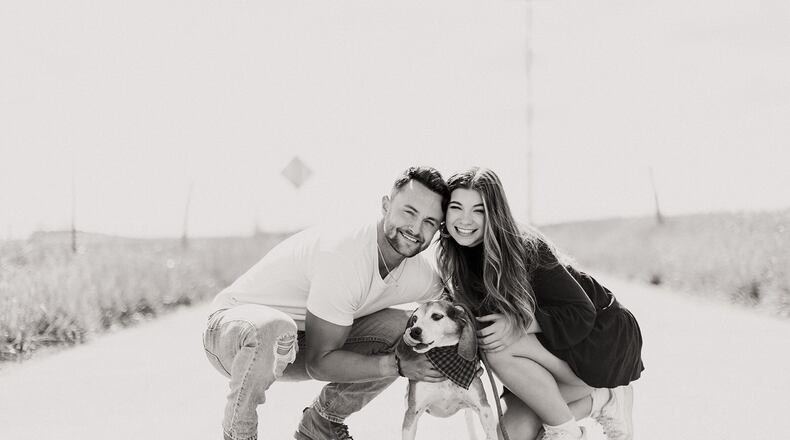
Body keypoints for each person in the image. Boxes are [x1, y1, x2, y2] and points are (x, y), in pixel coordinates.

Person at [203, 166, 450, 440]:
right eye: (409, 212)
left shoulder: (419, 273)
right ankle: (239, 434)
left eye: (429, 222)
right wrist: (397, 366)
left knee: (409, 329)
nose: (416, 228)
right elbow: (318, 364)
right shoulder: (346, 254)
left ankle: (321, 425)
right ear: (385, 206)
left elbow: (455, 311)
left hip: (299, 345)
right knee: (277, 326)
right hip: (233, 337)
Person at [437, 167, 644, 440]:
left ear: (494, 213)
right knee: (509, 435)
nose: (465, 219)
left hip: (599, 342)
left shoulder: (525, 247)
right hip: (549, 358)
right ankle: (604, 399)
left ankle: (565, 432)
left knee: (496, 343)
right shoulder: (456, 264)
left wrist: (520, 324)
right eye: (456, 207)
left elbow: (581, 313)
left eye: (479, 210)